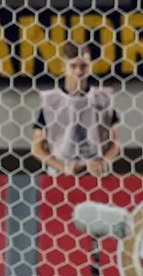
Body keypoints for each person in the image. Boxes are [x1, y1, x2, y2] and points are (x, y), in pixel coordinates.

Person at [31, 43, 121, 176]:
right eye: (73, 66)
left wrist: (102, 163)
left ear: (90, 67)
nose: (79, 72)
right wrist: (63, 167)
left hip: (96, 173)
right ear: (64, 67)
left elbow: (116, 144)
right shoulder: (51, 102)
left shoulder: (102, 100)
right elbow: (37, 148)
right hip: (59, 175)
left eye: (83, 66)